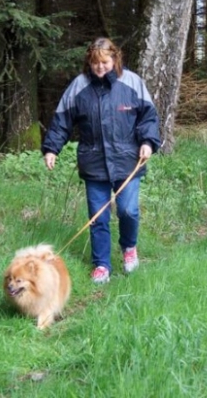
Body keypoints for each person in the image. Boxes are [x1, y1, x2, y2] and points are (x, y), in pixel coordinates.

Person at [42, 38, 161, 285]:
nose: (100, 67)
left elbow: (148, 117)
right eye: (95, 63)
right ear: (89, 62)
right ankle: (102, 265)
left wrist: (148, 142)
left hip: (128, 160)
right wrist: (52, 148)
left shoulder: (132, 82)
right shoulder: (79, 86)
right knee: (98, 217)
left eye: (105, 62)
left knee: (128, 210)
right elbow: (62, 120)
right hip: (93, 162)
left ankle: (129, 247)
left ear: (115, 59)